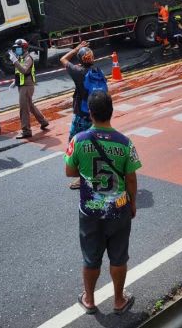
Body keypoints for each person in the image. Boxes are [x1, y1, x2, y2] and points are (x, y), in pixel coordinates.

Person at [65, 90, 140, 316]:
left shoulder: (78, 140)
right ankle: (118, 300)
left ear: (90, 113)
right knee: (118, 256)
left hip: (90, 210)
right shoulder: (126, 143)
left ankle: (89, 299)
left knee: (90, 257)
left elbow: (70, 172)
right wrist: (132, 203)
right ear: (112, 112)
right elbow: (131, 178)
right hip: (119, 209)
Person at [60, 41, 108, 189]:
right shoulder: (98, 72)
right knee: (96, 146)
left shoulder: (79, 72)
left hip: (81, 117)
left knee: (76, 146)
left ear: (80, 60)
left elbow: (63, 59)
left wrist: (76, 49)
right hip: (96, 116)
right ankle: (101, 174)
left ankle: (83, 178)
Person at [11, 38, 49, 138]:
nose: (16, 50)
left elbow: (23, 70)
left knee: (24, 109)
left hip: (27, 87)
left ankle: (26, 131)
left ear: (24, 48)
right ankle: (43, 121)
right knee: (30, 105)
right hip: (22, 85)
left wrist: (14, 61)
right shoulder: (21, 58)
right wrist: (15, 81)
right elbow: (20, 73)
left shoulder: (28, 58)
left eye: (18, 48)